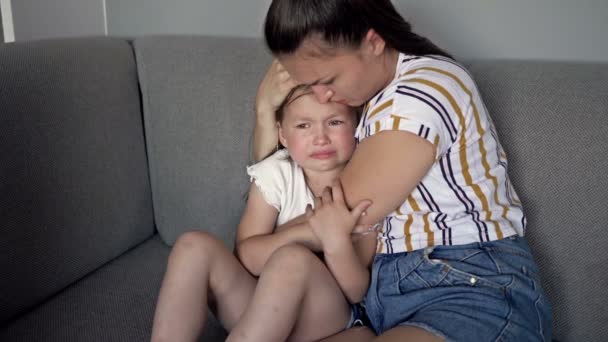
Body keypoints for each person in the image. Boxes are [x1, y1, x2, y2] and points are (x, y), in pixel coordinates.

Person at [253, 1, 553, 341]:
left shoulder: (422, 91)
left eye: (327, 80)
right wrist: (265, 111)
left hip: (468, 288)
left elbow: (339, 211)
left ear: (373, 41)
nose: (322, 97)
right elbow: (284, 177)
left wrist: (257, 248)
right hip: (386, 300)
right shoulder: (369, 99)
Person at [150, 84, 377, 342]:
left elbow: (357, 291)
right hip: (263, 314)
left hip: (327, 321)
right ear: (283, 135)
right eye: (304, 126)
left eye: (334, 122)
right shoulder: (276, 174)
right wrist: (310, 232)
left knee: (293, 260)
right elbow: (247, 256)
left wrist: (335, 241)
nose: (320, 137)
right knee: (193, 245)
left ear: (358, 127)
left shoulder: (366, 186)